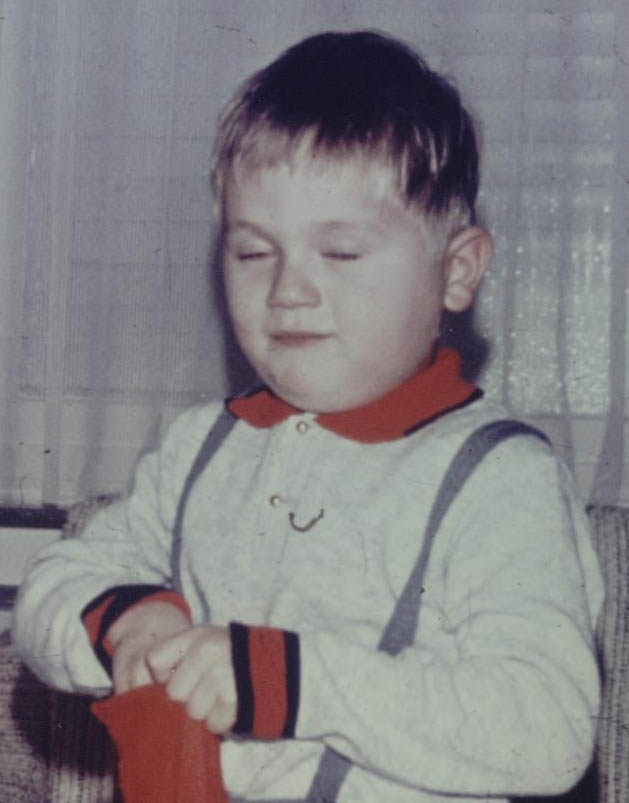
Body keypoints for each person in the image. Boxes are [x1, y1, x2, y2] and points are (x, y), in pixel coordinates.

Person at [13, 30, 603, 803]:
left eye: (341, 254)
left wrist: (293, 681)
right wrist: (130, 622)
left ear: (455, 271)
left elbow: (547, 727)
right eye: (254, 253)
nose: (288, 290)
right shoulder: (200, 446)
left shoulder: (501, 477)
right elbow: (53, 586)